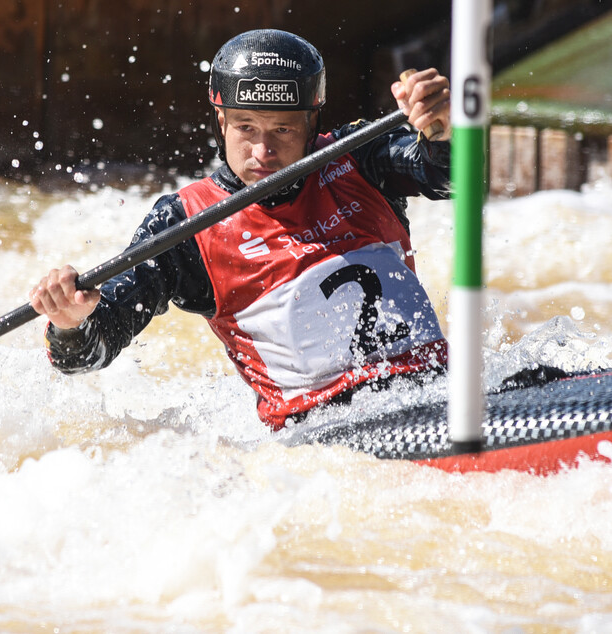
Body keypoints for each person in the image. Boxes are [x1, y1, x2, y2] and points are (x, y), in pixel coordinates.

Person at [30, 29, 452, 430]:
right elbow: (89, 350)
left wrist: (448, 129)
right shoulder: (186, 226)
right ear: (220, 121)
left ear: (311, 123)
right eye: (246, 128)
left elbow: (452, 176)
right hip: (323, 429)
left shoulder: (360, 158)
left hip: (437, 390)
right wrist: (71, 322)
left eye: (283, 130)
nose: (262, 152)